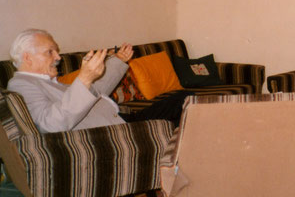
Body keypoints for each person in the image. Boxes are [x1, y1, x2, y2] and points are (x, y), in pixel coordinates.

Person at [7, 29, 186, 133]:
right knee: (185, 103)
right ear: (27, 58)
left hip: (119, 119)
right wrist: (84, 79)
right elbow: (50, 124)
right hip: (111, 133)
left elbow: (96, 92)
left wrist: (118, 61)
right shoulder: (21, 85)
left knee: (185, 100)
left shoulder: (47, 81)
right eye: (50, 52)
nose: (58, 57)